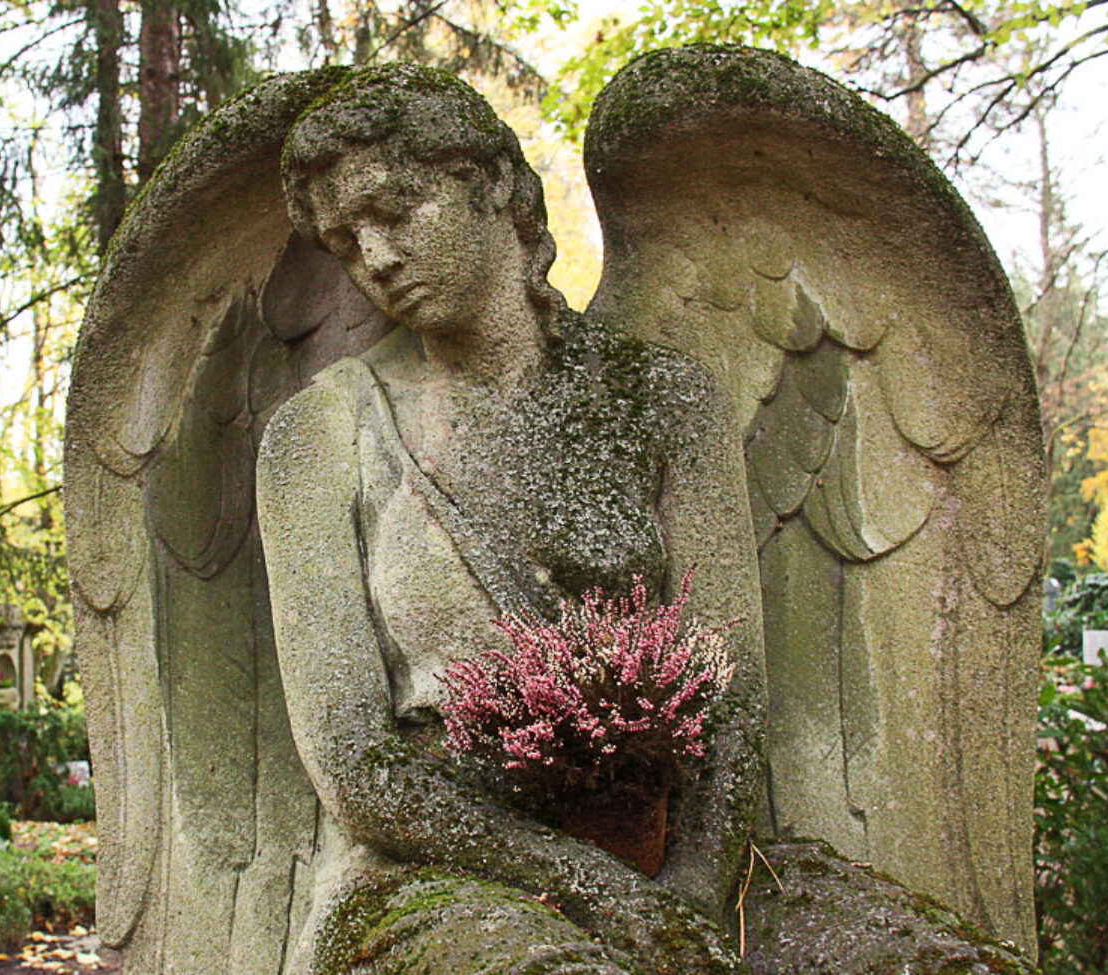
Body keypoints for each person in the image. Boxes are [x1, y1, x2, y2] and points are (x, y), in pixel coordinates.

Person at [256, 65, 766, 974]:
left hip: (672, 859)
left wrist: (689, 889)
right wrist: (605, 895)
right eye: (344, 242)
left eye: (395, 210)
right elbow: (354, 763)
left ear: (492, 184)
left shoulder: (661, 398)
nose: (374, 258)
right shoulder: (322, 433)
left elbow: (732, 692)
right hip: (426, 875)